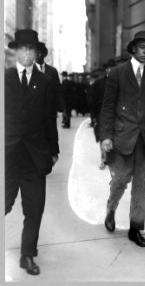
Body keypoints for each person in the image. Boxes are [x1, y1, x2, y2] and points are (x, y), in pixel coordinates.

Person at [99, 31, 145, 247]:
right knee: (120, 180)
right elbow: (108, 107)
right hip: (122, 138)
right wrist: (106, 136)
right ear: (133, 49)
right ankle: (111, 208)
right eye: (142, 47)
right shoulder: (117, 73)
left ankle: (135, 228)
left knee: (142, 184)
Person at [5, 29, 59, 275]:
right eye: (23, 48)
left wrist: (53, 150)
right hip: (7, 154)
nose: (27, 53)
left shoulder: (45, 81)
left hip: (35, 155)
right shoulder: (4, 78)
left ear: (37, 53)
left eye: (32, 49)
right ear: (15, 51)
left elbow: (50, 119)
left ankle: (27, 254)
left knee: (34, 207)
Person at [91, 59, 117, 169]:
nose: (110, 70)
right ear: (106, 70)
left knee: (115, 136)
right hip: (101, 114)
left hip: (116, 114)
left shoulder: (119, 83)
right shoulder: (98, 83)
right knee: (102, 136)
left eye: (112, 68)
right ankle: (103, 159)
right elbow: (94, 101)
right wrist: (93, 117)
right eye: (108, 68)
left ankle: (112, 159)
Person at [35, 42, 62, 113]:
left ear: (44, 54)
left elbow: (58, 90)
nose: (37, 55)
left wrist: (62, 108)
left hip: (50, 110)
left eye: (39, 53)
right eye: (35, 53)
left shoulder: (52, 71)